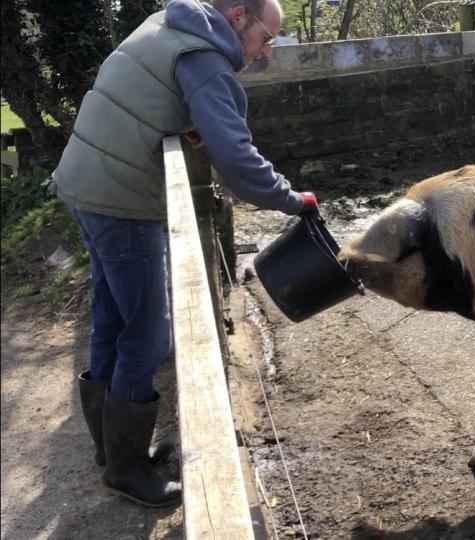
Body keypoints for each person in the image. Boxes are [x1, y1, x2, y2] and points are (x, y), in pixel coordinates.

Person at [52, 0, 317, 507]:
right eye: (267, 37)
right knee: (149, 334)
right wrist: (291, 198)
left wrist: (185, 119)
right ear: (238, 16)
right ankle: (126, 469)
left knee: (111, 317)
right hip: (122, 200)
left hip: (84, 180)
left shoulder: (169, 23)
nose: (265, 52)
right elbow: (237, 159)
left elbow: (151, 96)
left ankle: (113, 451)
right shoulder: (206, 60)